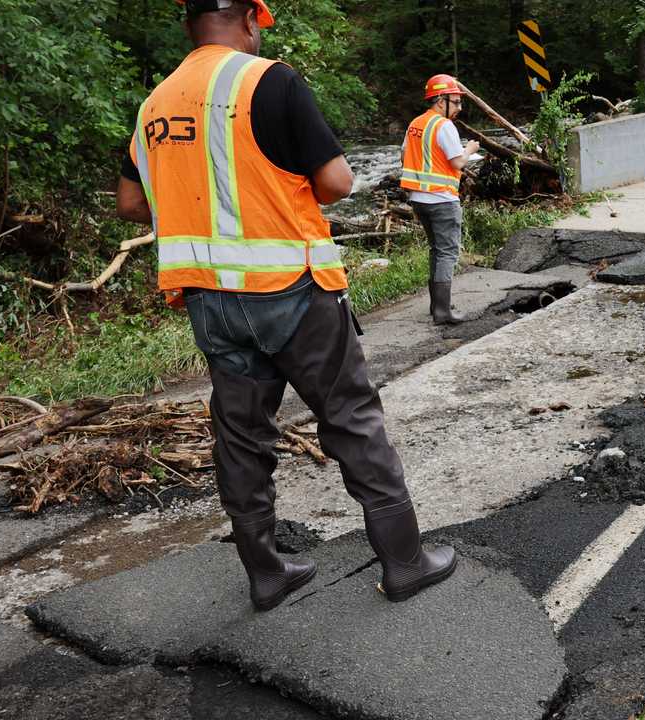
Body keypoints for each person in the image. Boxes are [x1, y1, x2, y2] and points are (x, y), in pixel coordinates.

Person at [115, 0, 455, 611]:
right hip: (292, 291)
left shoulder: (155, 104)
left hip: (209, 299)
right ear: (248, 17)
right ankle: (405, 562)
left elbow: (133, 204)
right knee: (351, 417)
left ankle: (267, 572)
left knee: (241, 436)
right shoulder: (268, 80)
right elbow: (337, 183)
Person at [400, 74, 481, 324]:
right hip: (442, 200)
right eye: (455, 102)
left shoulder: (416, 123)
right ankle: (443, 311)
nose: (459, 108)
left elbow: (405, 154)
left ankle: (437, 305)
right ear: (439, 100)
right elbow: (457, 161)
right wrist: (470, 149)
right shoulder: (444, 126)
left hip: (419, 200)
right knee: (447, 252)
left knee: (436, 250)